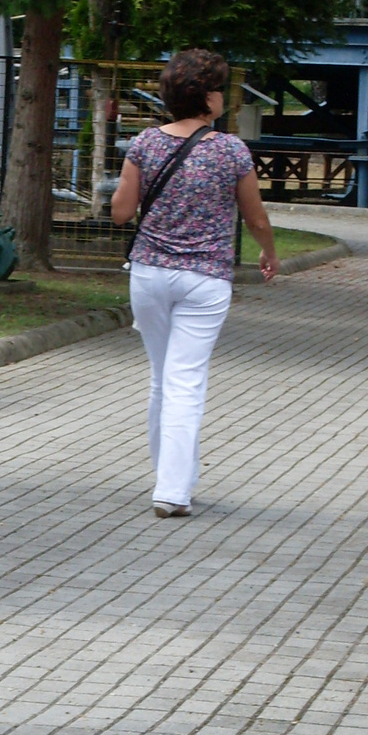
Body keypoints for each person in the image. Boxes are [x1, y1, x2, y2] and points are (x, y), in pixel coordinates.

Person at [110, 47, 278, 519]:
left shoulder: (144, 144)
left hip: (148, 274)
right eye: (220, 89)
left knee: (162, 379)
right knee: (186, 380)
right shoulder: (230, 150)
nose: (224, 97)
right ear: (206, 97)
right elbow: (256, 216)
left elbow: (121, 213)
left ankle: (169, 475)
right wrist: (268, 251)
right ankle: (172, 490)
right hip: (205, 277)